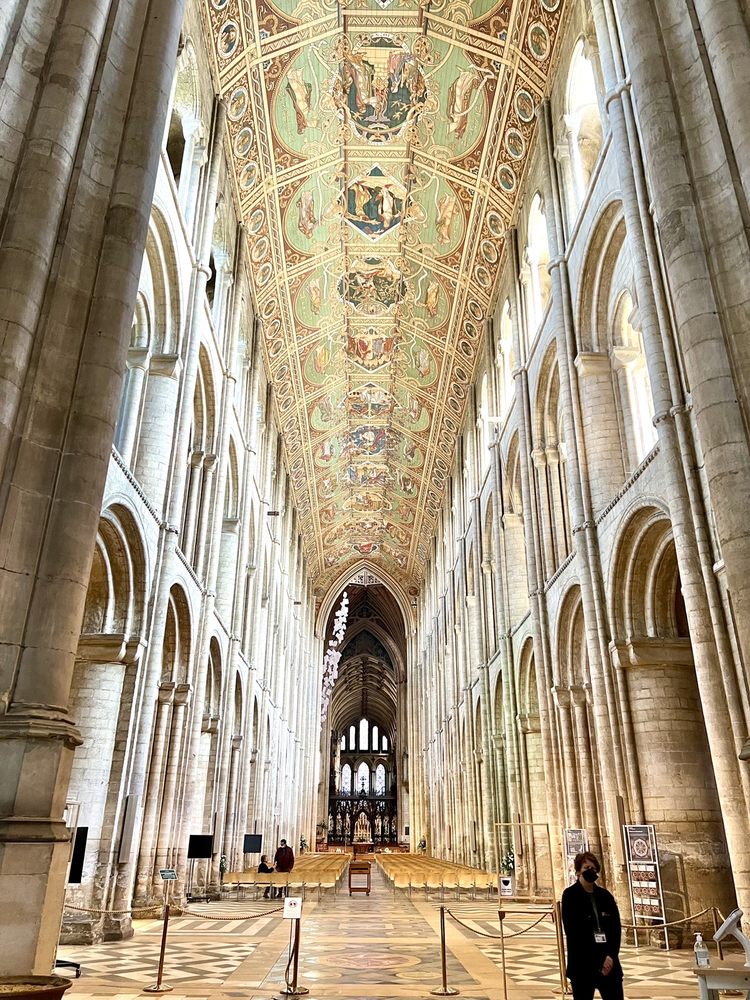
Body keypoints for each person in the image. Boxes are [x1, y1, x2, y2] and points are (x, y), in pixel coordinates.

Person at [561, 852, 624, 1000]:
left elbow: (615, 929)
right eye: (586, 867)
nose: (590, 871)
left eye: (593, 868)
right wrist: (600, 959)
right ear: (578, 871)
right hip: (583, 963)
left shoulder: (605, 896)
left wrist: (610, 956)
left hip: (609, 963)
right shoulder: (570, 895)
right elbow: (574, 932)